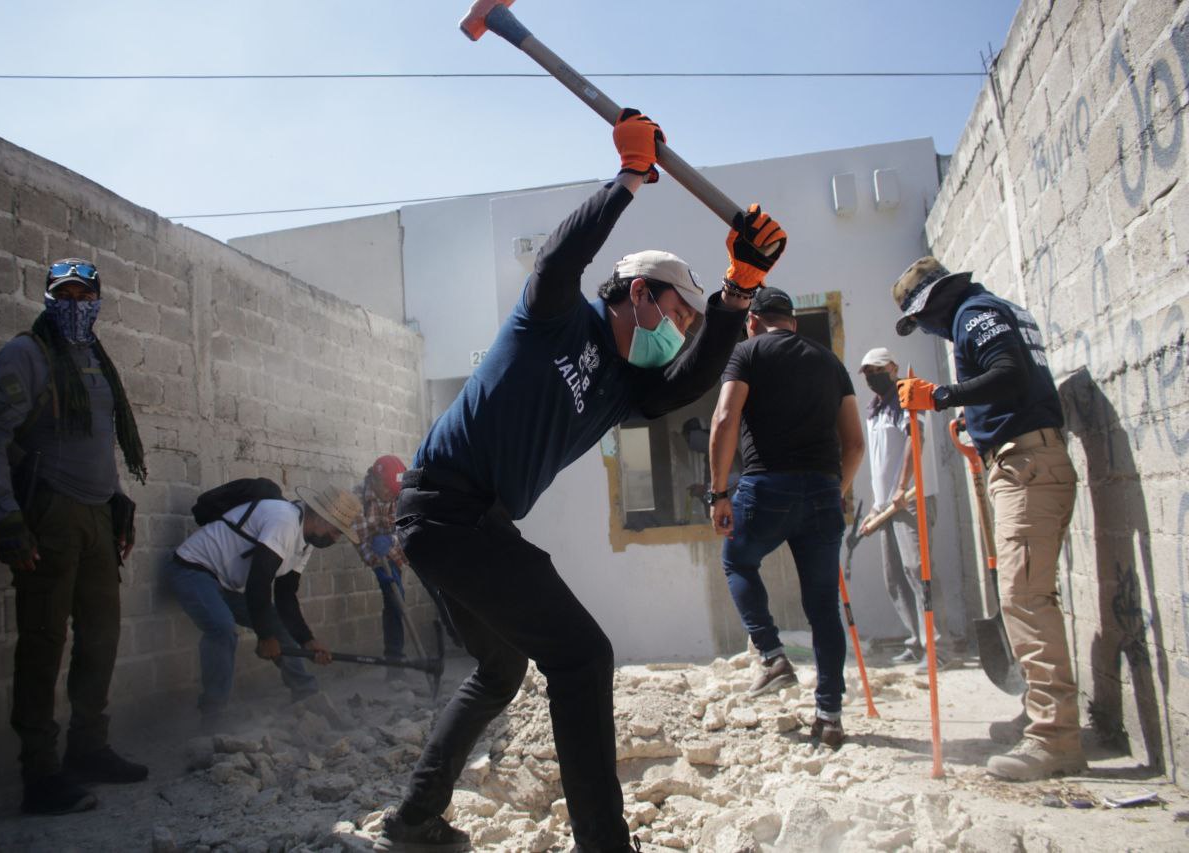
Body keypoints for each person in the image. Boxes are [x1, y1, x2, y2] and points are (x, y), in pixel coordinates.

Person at [374, 110, 786, 853]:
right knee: (583, 656)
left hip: (472, 522)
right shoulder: (555, 319)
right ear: (639, 292)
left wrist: (737, 293)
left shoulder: (626, 386)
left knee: (501, 669)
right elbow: (557, 261)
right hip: (443, 507)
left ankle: (413, 821)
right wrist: (627, 180)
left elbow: (685, 384)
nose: (679, 332)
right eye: (678, 312)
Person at [0, 258, 148, 815]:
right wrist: (8, 518)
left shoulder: (96, 359)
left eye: (83, 295)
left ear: (97, 301)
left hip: (96, 517)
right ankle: (40, 774)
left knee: (101, 639)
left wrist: (117, 500)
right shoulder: (27, 354)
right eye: (62, 295)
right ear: (47, 299)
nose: (74, 305)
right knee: (43, 644)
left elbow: (96, 442)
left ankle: (88, 749)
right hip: (51, 514)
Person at [892, 256, 1084, 781]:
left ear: (935, 300)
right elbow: (1013, 384)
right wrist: (976, 423)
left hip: (1026, 464)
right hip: (1024, 458)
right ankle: (1040, 715)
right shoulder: (992, 310)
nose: (926, 329)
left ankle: (1056, 737)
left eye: (921, 318)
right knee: (1029, 594)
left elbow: (1008, 373)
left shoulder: (974, 314)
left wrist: (941, 396)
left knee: (1023, 598)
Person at [707, 286, 864, 749]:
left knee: (738, 561)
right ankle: (830, 717)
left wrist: (719, 493)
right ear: (792, 323)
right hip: (823, 491)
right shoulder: (831, 363)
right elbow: (855, 444)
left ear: (752, 322)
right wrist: (834, 492)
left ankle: (773, 655)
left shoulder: (748, 353)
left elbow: (724, 419)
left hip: (767, 488)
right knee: (823, 607)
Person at [164, 483, 361, 724]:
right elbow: (259, 581)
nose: (336, 538)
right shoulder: (284, 521)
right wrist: (265, 637)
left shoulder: (305, 541)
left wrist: (307, 640)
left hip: (226, 584)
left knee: (280, 627)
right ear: (321, 518)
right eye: (337, 531)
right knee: (222, 628)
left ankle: (307, 695)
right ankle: (213, 714)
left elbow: (285, 595)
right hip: (193, 570)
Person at [856, 347, 964, 671]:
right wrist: (876, 506)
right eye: (868, 372)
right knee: (895, 578)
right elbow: (881, 463)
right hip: (887, 506)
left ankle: (940, 649)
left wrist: (902, 487)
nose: (873, 377)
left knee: (919, 571)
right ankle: (917, 642)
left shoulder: (907, 398)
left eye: (878, 370)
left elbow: (914, 440)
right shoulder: (875, 409)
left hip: (912, 499)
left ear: (893, 367)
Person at [352, 455, 412, 666]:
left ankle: (456, 633)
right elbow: (360, 541)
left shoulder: (400, 494)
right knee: (394, 598)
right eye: (388, 489)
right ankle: (395, 662)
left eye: (395, 492)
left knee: (434, 585)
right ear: (375, 479)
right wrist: (378, 565)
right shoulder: (356, 499)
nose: (390, 495)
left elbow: (408, 527)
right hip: (376, 554)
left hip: (400, 548)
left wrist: (392, 540)